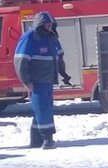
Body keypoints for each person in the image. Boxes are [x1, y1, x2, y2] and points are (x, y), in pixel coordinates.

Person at [14, 11, 71, 149]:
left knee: (41, 110)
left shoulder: (52, 38)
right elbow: (20, 62)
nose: (50, 27)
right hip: (37, 81)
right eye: (47, 24)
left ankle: (36, 140)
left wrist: (64, 74)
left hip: (48, 80)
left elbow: (58, 58)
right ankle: (47, 139)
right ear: (40, 24)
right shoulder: (29, 38)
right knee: (43, 109)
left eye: (51, 24)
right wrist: (27, 82)